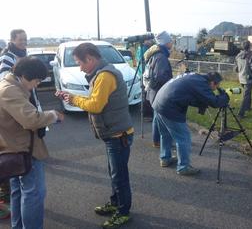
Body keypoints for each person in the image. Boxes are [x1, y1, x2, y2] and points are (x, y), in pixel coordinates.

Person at [55, 42, 134, 229]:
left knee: (119, 176)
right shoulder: (102, 73)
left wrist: (73, 98)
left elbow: (96, 105)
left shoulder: (105, 76)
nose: (80, 67)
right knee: (115, 174)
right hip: (114, 134)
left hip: (118, 135)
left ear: (90, 59)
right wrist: (71, 97)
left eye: (80, 63)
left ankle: (123, 212)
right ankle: (116, 203)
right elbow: (94, 101)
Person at [0, 57, 64, 229]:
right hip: (24, 149)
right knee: (33, 193)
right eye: (36, 81)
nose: (37, 85)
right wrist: (53, 115)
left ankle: (18, 226)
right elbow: (31, 119)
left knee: (19, 192)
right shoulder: (9, 90)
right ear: (24, 76)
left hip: (14, 148)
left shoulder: (11, 85)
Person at [152, 72, 229, 175]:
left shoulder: (195, 77)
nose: (216, 88)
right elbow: (214, 102)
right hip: (169, 107)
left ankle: (165, 158)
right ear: (212, 82)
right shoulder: (201, 84)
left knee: (165, 134)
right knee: (183, 138)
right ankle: (183, 167)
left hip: (158, 103)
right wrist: (226, 97)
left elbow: (189, 96)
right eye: (216, 85)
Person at [0, 29, 29, 214]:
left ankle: (9, 196)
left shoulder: (22, 54)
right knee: (8, 156)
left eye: (26, 40)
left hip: (19, 106)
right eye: (20, 40)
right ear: (12, 41)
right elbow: (5, 82)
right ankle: (5, 199)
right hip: (10, 109)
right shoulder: (8, 57)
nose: (24, 43)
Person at [144, 31, 173, 148]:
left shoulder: (156, 54)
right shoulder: (161, 57)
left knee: (156, 116)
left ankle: (156, 140)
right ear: (166, 42)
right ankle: (160, 142)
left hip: (153, 91)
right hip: (158, 92)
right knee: (161, 118)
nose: (172, 43)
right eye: (170, 41)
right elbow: (161, 77)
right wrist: (172, 82)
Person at [234, 40, 252, 118]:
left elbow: (236, 69)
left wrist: (241, 71)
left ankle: (248, 107)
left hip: (241, 77)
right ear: (249, 46)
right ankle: (241, 114)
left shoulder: (238, 55)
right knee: (246, 96)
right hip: (248, 78)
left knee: (248, 94)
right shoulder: (251, 56)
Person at [135, 39, 154, 120]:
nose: (151, 42)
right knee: (146, 94)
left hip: (142, 74)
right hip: (145, 74)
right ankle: (147, 114)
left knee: (145, 94)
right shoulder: (144, 49)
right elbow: (144, 61)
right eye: (149, 40)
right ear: (145, 41)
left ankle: (145, 113)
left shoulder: (140, 48)